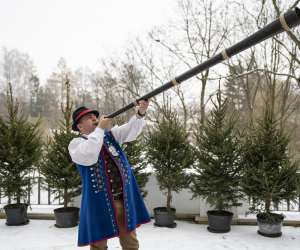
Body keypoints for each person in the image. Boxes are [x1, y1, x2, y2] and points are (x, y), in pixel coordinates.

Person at [68, 99, 151, 250]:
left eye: (94, 116)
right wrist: (99, 128)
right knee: (98, 246)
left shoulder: (110, 136)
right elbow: (91, 152)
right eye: (89, 117)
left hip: (122, 201)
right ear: (80, 126)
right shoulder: (76, 145)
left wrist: (141, 112)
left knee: (131, 244)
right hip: (98, 204)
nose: (94, 118)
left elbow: (130, 131)